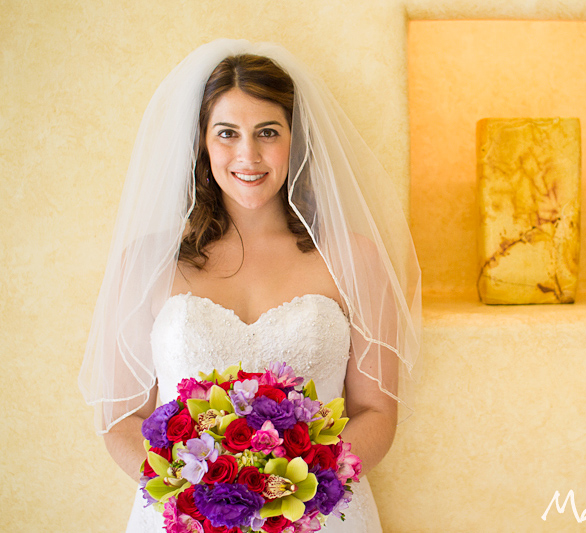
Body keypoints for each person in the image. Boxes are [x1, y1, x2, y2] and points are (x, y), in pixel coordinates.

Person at [79, 40, 421, 532]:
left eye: (267, 132)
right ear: (201, 141)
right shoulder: (148, 263)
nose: (249, 154)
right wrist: (199, 497)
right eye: (227, 133)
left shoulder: (354, 259)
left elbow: (376, 412)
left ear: (293, 140)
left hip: (321, 517)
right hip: (187, 521)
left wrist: (306, 488)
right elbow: (120, 421)